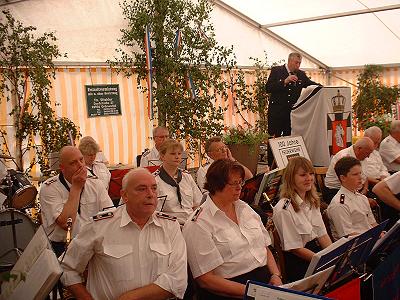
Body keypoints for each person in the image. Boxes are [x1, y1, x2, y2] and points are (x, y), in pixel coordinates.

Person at [61, 168, 187, 299]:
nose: (151, 194)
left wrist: (131, 297)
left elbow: (178, 280)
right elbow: (68, 268)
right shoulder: (99, 226)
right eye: (142, 189)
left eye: (154, 188)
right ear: (124, 195)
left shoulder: (170, 226)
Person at [183, 159, 282, 299]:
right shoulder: (199, 223)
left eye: (240, 182)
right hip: (232, 291)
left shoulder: (245, 209)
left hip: (265, 285)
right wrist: (254, 292)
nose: (239, 187)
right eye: (234, 183)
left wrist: (275, 275)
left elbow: (264, 248)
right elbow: (206, 280)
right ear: (217, 185)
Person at [39, 146, 113, 256]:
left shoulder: (95, 183)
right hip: (62, 247)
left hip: (92, 244)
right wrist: (76, 187)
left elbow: (110, 215)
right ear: (62, 168)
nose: (80, 165)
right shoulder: (49, 188)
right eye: (73, 163)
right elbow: (65, 224)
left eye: (81, 159)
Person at [273, 157, 332, 282]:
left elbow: (322, 235)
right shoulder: (284, 209)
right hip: (300, 261)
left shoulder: (312, 201)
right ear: (291, 178)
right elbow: (295, 248)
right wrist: (323, 261)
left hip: (317, 253)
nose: (309, 178)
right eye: (303, 175)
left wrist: (333, 256)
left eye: (311, 174)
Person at [266, 52, 319, 166]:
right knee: (273, 139)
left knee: (288, 139)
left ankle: (287, 164)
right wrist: (284, 81)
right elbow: (268, 87)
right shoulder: (277, 71)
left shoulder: (301, 74)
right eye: (296, 62)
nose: (298, 65)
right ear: (290, 61)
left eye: (300, 63)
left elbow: (310, 84)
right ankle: (271, 166)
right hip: (276, 113)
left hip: (291, 114)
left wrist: (322, 88)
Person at [327, 157, 378, 241]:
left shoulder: (362, 198)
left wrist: (381, 233)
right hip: (355, 246)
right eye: (355, 174)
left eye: (360, 173)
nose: (360, 177)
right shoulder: (339, 204)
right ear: (343, 178)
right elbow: (348, 235)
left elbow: (372, 223)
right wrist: (373, 237)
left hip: (370, 239)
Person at [154, 139, 202, 224]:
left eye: (179, 154)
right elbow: (155, 213)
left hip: (191, 224)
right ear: (162, 156)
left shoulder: (186, 176)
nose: (177, 157)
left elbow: (198, 204)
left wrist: (195, 222)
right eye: (172, 154)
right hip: (169, 226)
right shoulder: (155, 180)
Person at [324, 137, 374, 203]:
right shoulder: (344, 157)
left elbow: (365, 176)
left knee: (380, 199)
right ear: (359, 149)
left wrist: (365, 189)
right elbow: (346, 183)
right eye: (367, 153)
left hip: (355, 189)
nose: (368, 156)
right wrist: (362, 199)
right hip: (336, 190)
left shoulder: (362, 157)